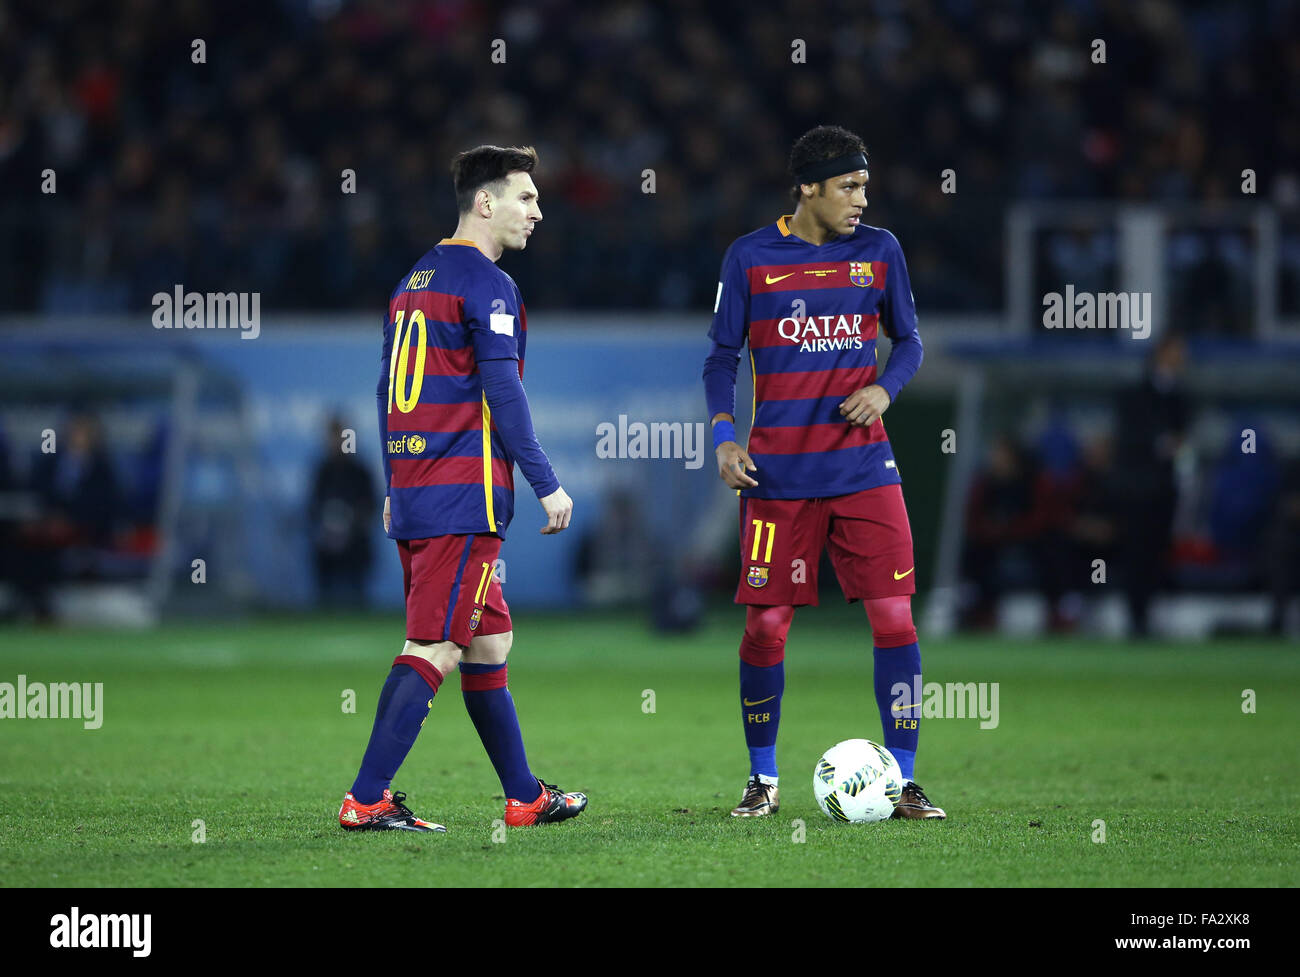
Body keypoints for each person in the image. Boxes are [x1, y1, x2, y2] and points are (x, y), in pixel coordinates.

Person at [339, 145, 587, 833]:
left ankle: (526, 797)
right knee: (435, 647)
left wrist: (395, 483)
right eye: (526, 198)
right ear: (486, 202)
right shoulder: (488, 285)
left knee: (489, 642)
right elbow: (504, 394)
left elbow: (389, 391)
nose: (538, 211)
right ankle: (367, 799)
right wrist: (547, 484)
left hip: (419, 492)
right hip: (462, 497)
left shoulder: (412, 280)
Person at [702, 125, 943, 820]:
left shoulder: (880, 252)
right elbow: (721, 357)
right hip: (777, 476)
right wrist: (724, 439)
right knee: (766, 628)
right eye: (849, 186)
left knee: (895, 616)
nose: (862, 199)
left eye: (865, 186)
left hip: (866, 468)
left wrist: (884, 390)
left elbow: (911, 339)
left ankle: (901, 779)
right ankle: (763, 780)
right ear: (808, 187)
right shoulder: (750, 257)